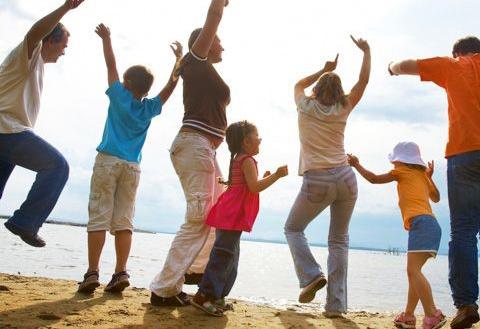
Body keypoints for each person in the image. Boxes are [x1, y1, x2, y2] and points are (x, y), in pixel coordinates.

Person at [77, 23, 182, 294]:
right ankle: (121, 271)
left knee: (99, 218)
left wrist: (107, 38)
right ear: (146, 89)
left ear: (126, 83)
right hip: (133, 167)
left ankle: (92, 273)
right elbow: (168, 91)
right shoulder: (149, 108)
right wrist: (178, 64)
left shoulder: (119, 96)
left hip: (108, 161)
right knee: (124, 221)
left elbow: (110, 63)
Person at [388, 36, 480, 329]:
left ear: (459, 53)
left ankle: (466, 305)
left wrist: (391, 67)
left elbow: (409, 65)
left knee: (465, 230)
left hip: (464, 155)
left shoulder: (454, 66)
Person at [150, 0, 231, 306]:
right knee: (198, 218)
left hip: (205, 149)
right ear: (205, 44)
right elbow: (212, 18)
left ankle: (194, 274)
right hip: (195, 145)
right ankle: (163, 289)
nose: (221, 45)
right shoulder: (196, 62)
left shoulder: (202, 69)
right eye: (217, 41)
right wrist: (218, 4)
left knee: (217, 212)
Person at [284, 35, 370, 317]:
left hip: (318, 179)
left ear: (317, 88)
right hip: (346, 178)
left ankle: (310, 275)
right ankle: (335, 307)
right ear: (339, 91)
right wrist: (367, 52)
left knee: (293, 228)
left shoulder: (304, 106)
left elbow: (298, 84)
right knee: (339, 240)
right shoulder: (343, 108)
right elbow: (363, 82)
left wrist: (323, 69)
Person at [0, 0, 85, 248]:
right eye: (63, 45)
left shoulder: (36, 66)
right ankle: (25, 222)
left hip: (8, 135)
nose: (64, 51)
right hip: (7, 131)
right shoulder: (27, 55)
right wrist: (66, 7)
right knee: (57, 166)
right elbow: (34, 32)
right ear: (50, 41)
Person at [190, 121, 288, 316]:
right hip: (232, 214)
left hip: (230, 213)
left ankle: (216, 296)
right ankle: (205, 295)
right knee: (224, 255)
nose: (260, 141)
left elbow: (241, 183)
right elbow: (254, 187)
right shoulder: (247, 160)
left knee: (229, 257)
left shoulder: (239, 158)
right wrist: (276, 175)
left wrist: (265, 177)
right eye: (257, 138)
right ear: (246, 142)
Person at [348, 142, 446, 329]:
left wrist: (356, 164)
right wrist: (429, 178)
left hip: (421, 223)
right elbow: (437, 198)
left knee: (413, 271)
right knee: (414, 273)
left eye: (395, 161)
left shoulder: (401, 172)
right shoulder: (421, 175)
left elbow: (374, 179)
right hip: (431, 225)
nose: (393, 165)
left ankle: (433, 313)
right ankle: (408, 316)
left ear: (400, 160)